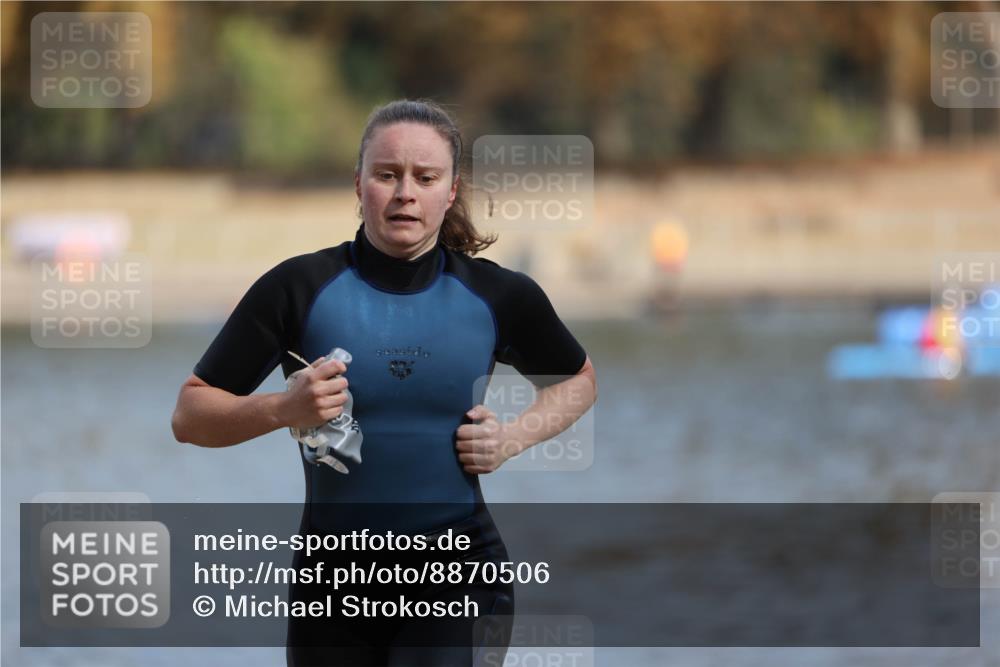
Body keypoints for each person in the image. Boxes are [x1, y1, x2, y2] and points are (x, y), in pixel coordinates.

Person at [171, 99, 597, 666]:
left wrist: (511, 439)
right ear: (359, 183)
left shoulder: (499, 295)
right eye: (387, 174)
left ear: (451, 191)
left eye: (426, 178)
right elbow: (190, 416)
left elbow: (578, 381)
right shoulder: (297, 288)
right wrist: (282, 408)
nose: (405, 193)